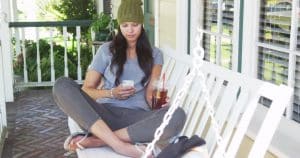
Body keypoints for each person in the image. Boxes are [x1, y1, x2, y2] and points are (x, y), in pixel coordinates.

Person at [52, 0, 186, 157]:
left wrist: (161, 105)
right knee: (62, 85)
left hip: (135, 121)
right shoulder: (106, 51)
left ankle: (98, 141)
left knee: (177, 114)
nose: (130, 30)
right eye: (125, 25)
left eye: (135, 25)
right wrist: (111, 93)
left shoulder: (155, 54)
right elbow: (87, 90)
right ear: (119, 25)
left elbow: (150, 95)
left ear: (142, 25)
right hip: (101, 117)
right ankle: (121, 146)